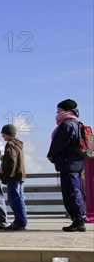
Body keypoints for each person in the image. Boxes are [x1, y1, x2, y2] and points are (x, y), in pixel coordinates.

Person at [47, 99, 87, 232]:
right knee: (76, 190)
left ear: (65, 110)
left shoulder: (67, 125)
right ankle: (78, 219)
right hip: (76, 163)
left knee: (71, 191)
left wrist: (51, 155)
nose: (57, 113)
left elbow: (59, 143)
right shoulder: (77, 124)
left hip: (68, 163)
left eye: (59, 110)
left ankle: (78, 220)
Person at [0, 124, 27, 230]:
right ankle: (22, 221)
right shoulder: (18, 144)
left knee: (13, 199)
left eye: (3, 133)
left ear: (8, 133)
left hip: (13, 175)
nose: (2, 136)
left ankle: (19, 222)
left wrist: (2, 169)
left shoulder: (10, 144)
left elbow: (10, 159)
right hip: (20, 174)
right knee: (20, 199)